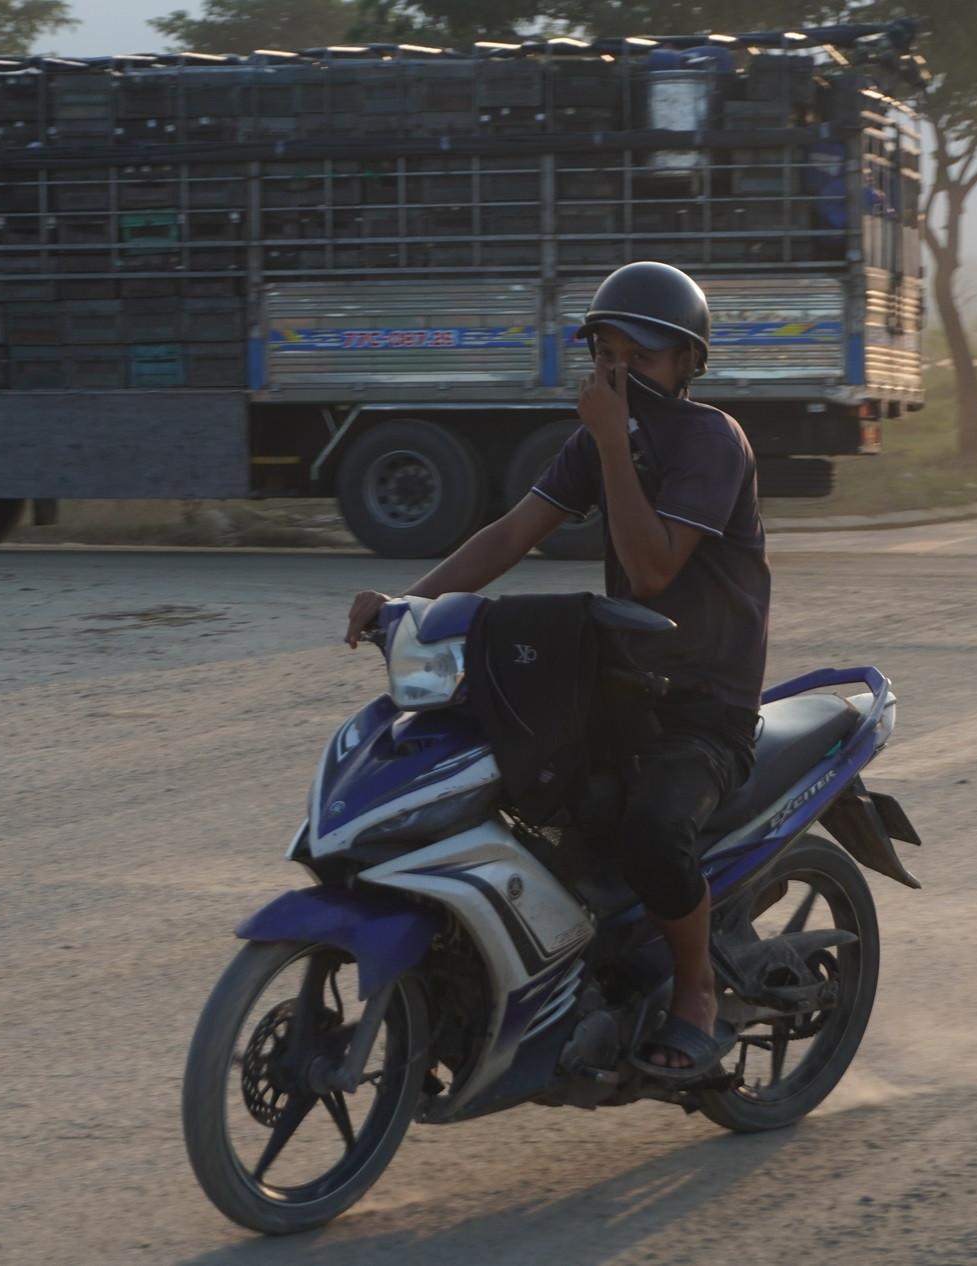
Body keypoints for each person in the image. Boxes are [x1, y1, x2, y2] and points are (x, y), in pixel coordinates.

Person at [344, 261, 771, 1081]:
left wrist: (612, 439)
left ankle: (698, 996)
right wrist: (408, 601)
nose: (623, 376)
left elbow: (650, 571)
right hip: (624, 690)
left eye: (642, 360)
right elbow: (511, 535)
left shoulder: (712, 443)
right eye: (609, 357)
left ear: (686, 364)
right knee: (504, 784)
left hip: (704, 708)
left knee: (651, 828)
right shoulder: (601, 442)